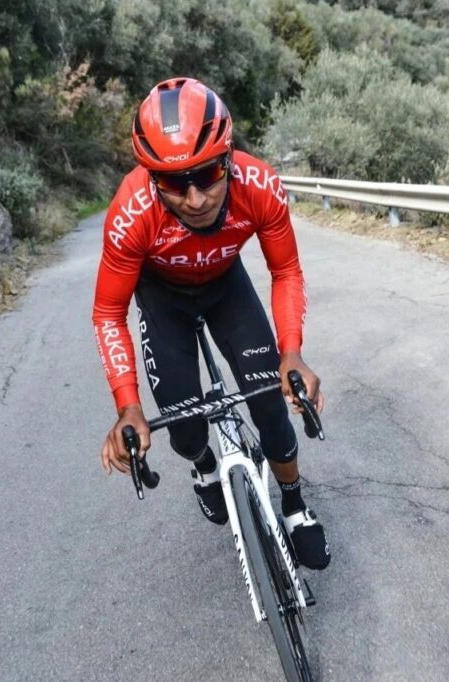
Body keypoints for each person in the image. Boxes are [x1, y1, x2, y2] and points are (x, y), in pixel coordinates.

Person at [92, 77, 329, 570]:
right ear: (152, 178)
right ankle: (204, 467)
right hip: (164, 300)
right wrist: (128, 407)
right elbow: (109, 313)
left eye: (208, 173)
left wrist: (292, 353)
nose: (196, 199)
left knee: (272, 407)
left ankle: (293, 503)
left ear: (229, 156)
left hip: (227, 288)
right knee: (185, 428)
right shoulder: (129, 214)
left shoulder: (258, 185)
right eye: (175, 183)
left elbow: (285, 270)